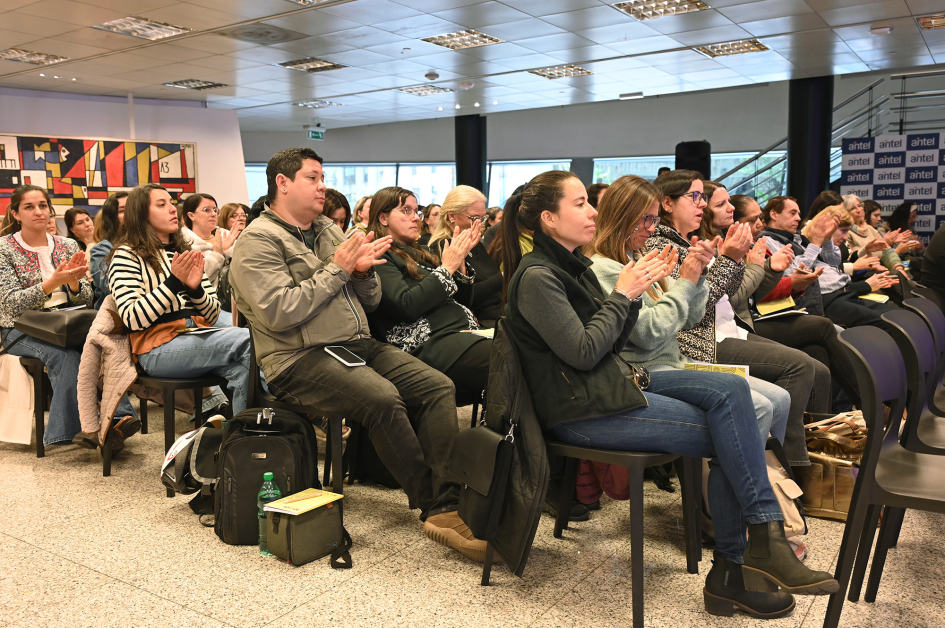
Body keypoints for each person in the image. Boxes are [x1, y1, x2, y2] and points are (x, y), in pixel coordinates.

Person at [503, 170, 838, 619]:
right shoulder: (539, 275)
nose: (592, 210)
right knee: (734, 431)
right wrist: (625, 295)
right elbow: (584, 353)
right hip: (580, 407)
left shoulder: (571, 264)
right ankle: (740, 562)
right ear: (548, 217)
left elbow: (621, 341)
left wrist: (670, 282)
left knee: (733, 392)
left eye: (590, 201)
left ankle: (754, 549)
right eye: (580, 203)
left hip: (614, 382)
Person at [229, 148, 487, 562]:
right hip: (297, 357)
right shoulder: (257, 241)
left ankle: (450, 496)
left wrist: (363, 273)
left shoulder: (329, 230)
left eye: (322, 177)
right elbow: (279, 312)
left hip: (354, 344)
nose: (322, 186)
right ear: (282, 183)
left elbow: (368, 301)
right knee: (383, 398)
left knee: (438, 387)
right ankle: (437, 507)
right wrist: (338, 270)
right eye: (313, 178)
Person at [585, 175, 785, 441]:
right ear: (623, 216)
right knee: (760, 406)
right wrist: (689, 281)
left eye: (655, 220)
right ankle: (746, 480)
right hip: (650, 368)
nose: (651, 228)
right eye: (647, 219)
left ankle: (759, 474)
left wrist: (698, 275)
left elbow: (692, 317)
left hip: (678, 360)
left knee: (779, 400)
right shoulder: (607, 267)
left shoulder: (639, 255)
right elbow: (649, 333)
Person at [649, 172, 821, 468]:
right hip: (695, 343)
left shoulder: (688, 240)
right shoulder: (663, 246)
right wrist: (731, 259)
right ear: (667, 203)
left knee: (811, 360)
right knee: (800, 365)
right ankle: (782, 471)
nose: (701, 204)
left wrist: (737, 259)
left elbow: (728, 293)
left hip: (720, 332)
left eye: (703, 198)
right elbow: (696, 309)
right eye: (695, 197)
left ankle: (776, 473)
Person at [0, 185, 138, 447]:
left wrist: (74, 284)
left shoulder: (66, 244)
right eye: (29, 207)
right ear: (16, 213)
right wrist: (52, 283)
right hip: (21, 328)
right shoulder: (3, 248)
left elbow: (86, 297)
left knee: (106, 343)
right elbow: (8, 305)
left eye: (43, 205)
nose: (39, 212)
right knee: (66, 356)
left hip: (67, 323)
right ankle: (78, 430)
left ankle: (116, 420)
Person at [107, 183, 251, 416]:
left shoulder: (183, 251)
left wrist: (195, 290)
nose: (173, 210)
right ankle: (298, 414)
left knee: (245, 369)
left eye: (171, 204)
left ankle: (246, 437)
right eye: (161, 205)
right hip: (157, 347)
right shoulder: (126, 254)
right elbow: (132, 319)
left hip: (197, 334)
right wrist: (174, 283)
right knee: (249, 338)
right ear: (141, 214)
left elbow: (213, 314)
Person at [731, 196, 864, 410]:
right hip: (747, 322)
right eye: (754, 218)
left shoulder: (773, 242)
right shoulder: (751, 244)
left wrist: (783, 278)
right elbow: (742, 297)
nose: (760, 223)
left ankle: (822, 429)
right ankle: (869, 407)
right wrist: (787, 280)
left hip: (777, 309)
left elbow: (830, 269)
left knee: (818, 354)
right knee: (827, 328)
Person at [367, 186, 490, 403]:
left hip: (456, 336)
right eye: (406, 210)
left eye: (417, 212)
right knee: (509, 358)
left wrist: (459, 268)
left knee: (522, 345)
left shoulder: (419, 253)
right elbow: (406, 305)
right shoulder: (378, 254)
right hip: (428, 345)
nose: (416, 218)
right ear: (383, 218)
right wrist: (447, 269)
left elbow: (462, 302)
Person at [761, 196, 899, 334]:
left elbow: (834, 267)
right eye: (792, 213)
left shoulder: (797, 238)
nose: (797, 218)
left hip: (844, 293)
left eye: (798, 214)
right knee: (889, 324)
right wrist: (815, 244)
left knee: (898, 315)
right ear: (774, 214)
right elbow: (794, 274)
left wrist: (826, 240)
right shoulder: (766, 241)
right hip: (823, 300)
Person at [429, 185, 503, 326]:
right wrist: (502, 278)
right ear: (452, 216)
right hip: (481, 322)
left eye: (482, 218)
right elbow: (464, 297)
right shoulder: (443, 247)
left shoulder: (475, 242)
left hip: (499, 313)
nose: (479, 224)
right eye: (474, 218)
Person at [843, 194, 912, 276]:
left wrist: (898, 267)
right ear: (845, 212)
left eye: (859, 206)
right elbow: (850, 259)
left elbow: (887, 252)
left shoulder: (870, 229)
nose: (859, 210)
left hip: (879, 271)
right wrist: (872, 266)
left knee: (903, 272)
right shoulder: (846, 232)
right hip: (863, 274)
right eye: (853, 208)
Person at [89, 192, 128, 309]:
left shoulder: (149, 244)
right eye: (122, 211)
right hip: (113, 319)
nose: (130, 213)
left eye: (133, 208)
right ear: (112, 218)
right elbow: (110, 287)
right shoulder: (102, 249)